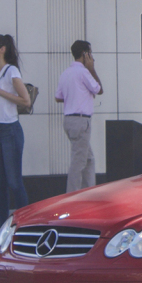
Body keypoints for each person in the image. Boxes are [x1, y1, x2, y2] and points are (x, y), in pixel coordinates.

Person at [0, 34, 32, 242]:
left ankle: (27, 226)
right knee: (0, 183)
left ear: (2, 49)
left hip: (10, 131)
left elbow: (25, 100)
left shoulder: (11, 71)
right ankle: (2, 229)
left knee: (14, 182)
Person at [54, 39, 103, 193]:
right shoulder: (83, 72)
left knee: (88, 159)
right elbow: (98, 89)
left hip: (69, 120)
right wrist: (92, 69)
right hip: (81, 121)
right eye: (90, 53)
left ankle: (90, 193)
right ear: (84, 54)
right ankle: (71, 197)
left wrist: (76, 95)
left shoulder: (66, 73)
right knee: (78, 162)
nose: (92, 57)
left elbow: (58, 97)